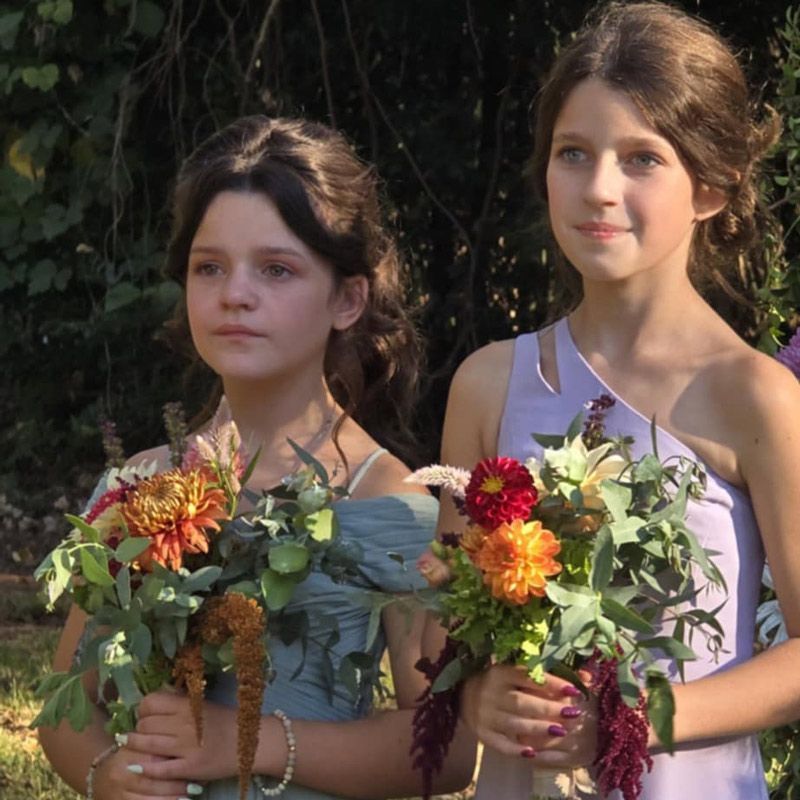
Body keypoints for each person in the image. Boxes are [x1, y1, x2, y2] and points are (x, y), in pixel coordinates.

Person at [39, 116, 475, 800]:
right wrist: (105, 772)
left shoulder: (391, 504)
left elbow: (445, 749)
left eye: (276, 269)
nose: (235, 293)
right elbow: (66, 704)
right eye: (209, 266)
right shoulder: (143, 483)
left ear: (348, 298)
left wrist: (248, 741)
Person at [429, 3, 800, 798]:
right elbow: (447, 637)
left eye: (641, 159)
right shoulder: (488, 383)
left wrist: (641, 715)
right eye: (573, 153)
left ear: (712, 187)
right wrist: (477, 690)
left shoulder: (754, 396)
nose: (598, 188)